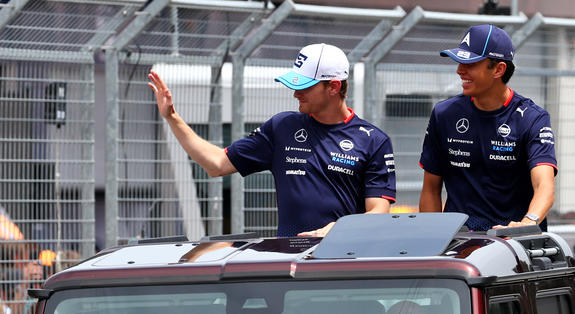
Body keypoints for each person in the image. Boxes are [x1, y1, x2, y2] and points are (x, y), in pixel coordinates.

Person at [149, 44, 395, 237]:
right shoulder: (282, 127)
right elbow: (216, 164)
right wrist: (171, 117)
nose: (296, 93)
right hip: (291, 262)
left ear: (333, 87)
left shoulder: (374, 141)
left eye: (305, 86)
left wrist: (338, 229)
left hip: (346, 260)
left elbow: (379, 211)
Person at [419, 24, 556, 231]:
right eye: (458, 62)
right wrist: (431, 239)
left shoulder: (532, 118)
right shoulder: (444, 114)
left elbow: (544, 186)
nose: (459, 70)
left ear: (499, 70)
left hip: (513, 244)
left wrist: (526, 224)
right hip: (459, 243)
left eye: (470, 63)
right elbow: (430, 189)